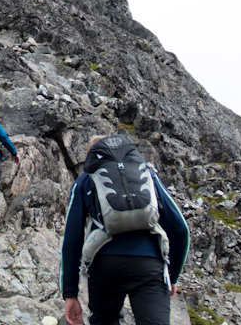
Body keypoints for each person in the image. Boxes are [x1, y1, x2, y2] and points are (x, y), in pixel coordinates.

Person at [60, 135, 189, 325]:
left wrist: (70, 293)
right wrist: (172, 275)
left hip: (105, 265)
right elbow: (180, 228)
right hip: (149, 265)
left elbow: (72, 239)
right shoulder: (146, 173)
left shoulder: (85, 179)